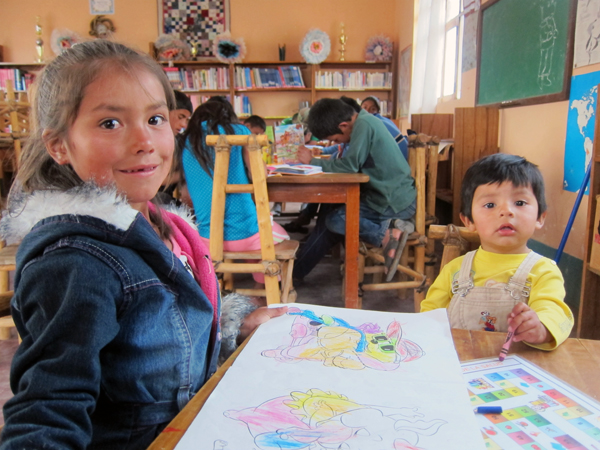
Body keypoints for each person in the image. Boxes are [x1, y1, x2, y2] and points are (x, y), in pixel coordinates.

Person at [0, 40, 286, 450]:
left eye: (155, 118)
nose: (145, 141)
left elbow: (174, 320)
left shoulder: (161, 224)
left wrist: (234, 324)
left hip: (195, 427)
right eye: (110, 124)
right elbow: (48, 409)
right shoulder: (75, 265)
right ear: (60, 145)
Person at [421, 153, 573, 350]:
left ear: (540, 217)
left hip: (513, 370)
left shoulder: (544, 271)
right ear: (469, 221)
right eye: (490, 205)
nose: (506, 211)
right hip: (459, 364)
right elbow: (429, 315)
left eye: (519, 203)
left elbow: (554, 311)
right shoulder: (455, 269)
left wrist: (541, 328)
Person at [294, 98, 417, 281]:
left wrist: (313, 162)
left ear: (344, 125)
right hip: (386, 197)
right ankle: (297, 270)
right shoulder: (364, 121)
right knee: (331, 211)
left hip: (392, 202)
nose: (337, 142)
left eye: (335, 139)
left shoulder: (364, 125)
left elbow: (350, 166)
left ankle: (385, 233)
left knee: (335, 219)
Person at [180, 99, 289, 285]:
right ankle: (266, 289)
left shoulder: (187, 140)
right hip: (248, 237)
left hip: (207, 239)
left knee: (249, 234)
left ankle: (220, 287)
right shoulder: (238, 131)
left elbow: (186, 196)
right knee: (280, 235)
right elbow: (259, 174)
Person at [361, 96, 408, 160]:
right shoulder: (387, 120)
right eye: (364, 108)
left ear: (378, 112)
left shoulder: (374, 122)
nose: (368, 111)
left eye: (372, 109)